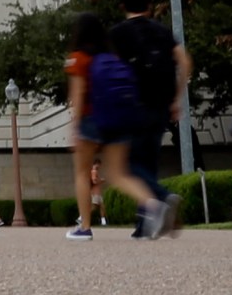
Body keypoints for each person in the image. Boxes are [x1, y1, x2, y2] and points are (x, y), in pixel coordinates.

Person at [63, 12, 169, 242]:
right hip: (118, 120)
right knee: (118, 174)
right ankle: (152, 204)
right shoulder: (112, 56)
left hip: (90, 121)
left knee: (82, 173)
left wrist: (74, 126)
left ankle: (85, 227)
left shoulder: (78, 58)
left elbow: (79, 94)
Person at [109, 0, 193, 235]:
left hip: (130, 106)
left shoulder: (117, 34)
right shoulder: (162, 31)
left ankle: (162, 197)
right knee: (147, 162)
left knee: (125, 166)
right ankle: (144, 224)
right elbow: (185, 62)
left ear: (122, 6)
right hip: (160, 105)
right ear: (150, 5)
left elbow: (110, 71)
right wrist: (176, 98)